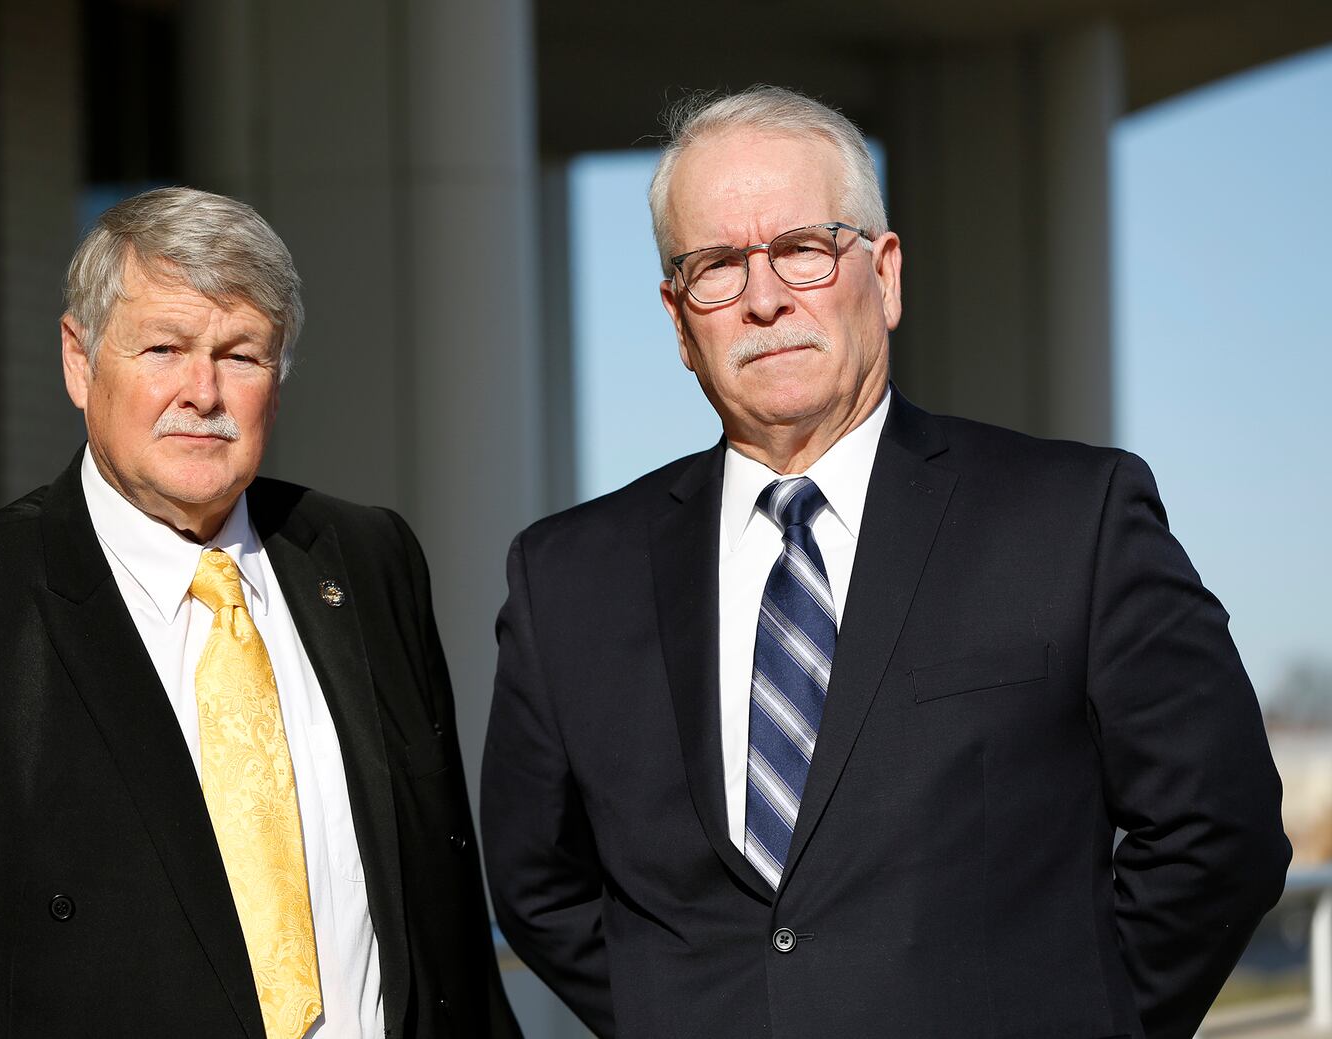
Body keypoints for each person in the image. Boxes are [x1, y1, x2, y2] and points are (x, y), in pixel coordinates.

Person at [480, 86, 1289, 1039]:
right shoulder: (567, 576)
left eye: (803, 248)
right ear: (676, 317)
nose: (765, 297)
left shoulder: (1072, 520)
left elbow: (1216, 829)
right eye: (717, 267)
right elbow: (540, 883)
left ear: (886, 272)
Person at [0, 187, 519, 1039]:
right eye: (163, 347)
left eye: (241, 355)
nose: (201, 391)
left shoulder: (367, 560)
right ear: (77, 358)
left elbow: (447, 922)